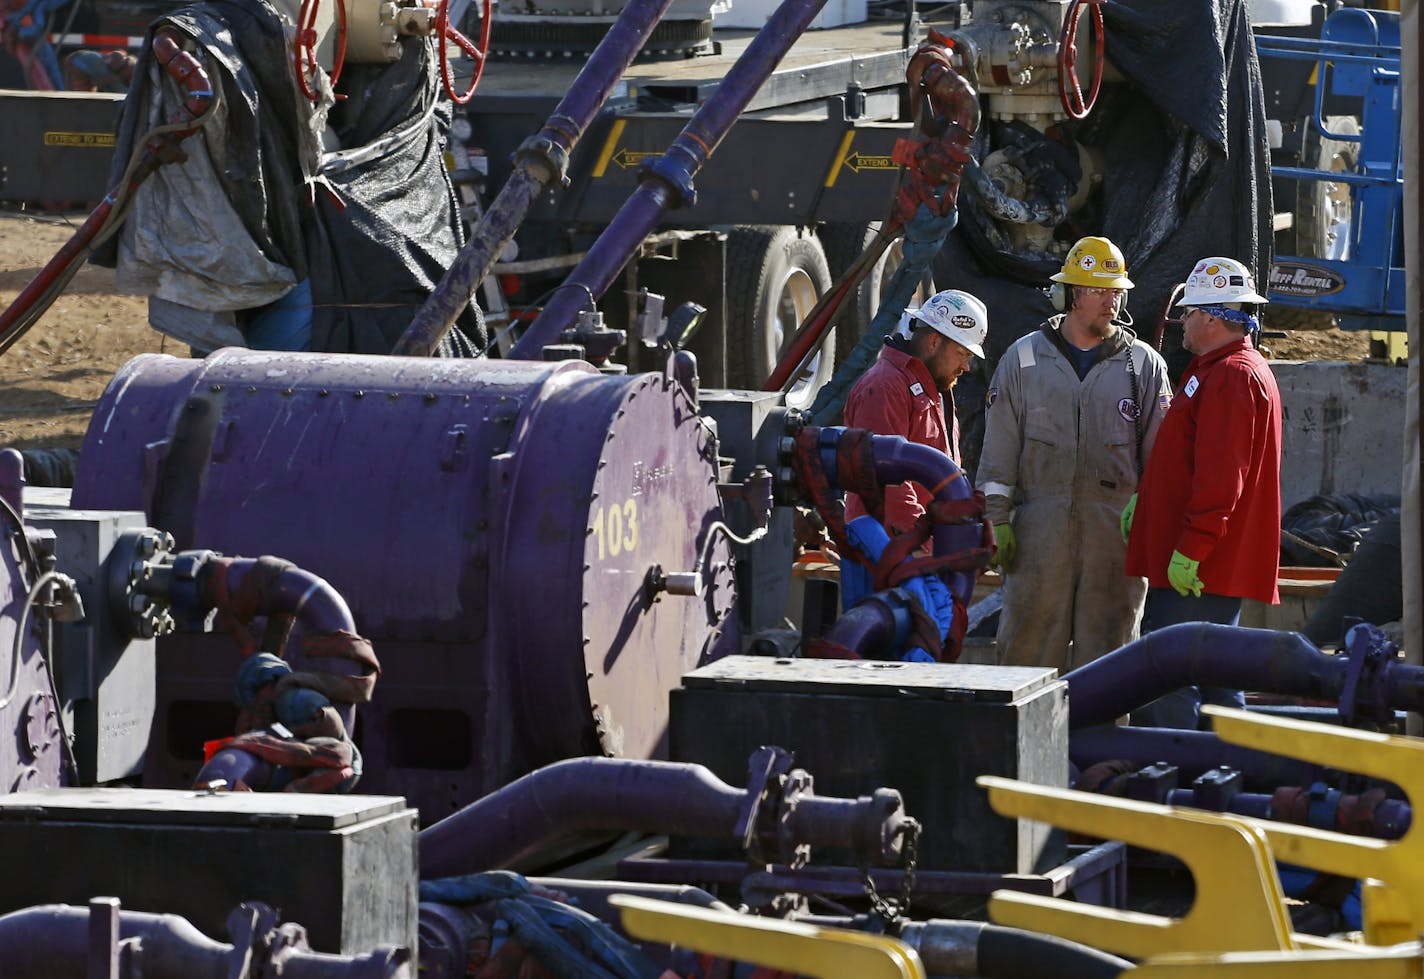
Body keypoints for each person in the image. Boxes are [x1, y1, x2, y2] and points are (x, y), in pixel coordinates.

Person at [977, 236, 1172, 672]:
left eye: (1117, 291)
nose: (1112, 302)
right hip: (1038, 535)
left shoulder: (1143, 365)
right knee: (1026, 655)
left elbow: (1163, 459)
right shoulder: (1023, 359)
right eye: (1099, 290)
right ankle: (1022, 742)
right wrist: (997, 518)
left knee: (1110, 659)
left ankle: (1100, 742)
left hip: (1116, 536)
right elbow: (999, 450)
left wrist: (1149, 514)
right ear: (1069, 295)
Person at [1125, 256, 1282, 729]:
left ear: (1210, 318)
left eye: (1189, 313)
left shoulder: (1231, 376)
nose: (1183, 322)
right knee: (1215, 680)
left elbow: (1221, 478)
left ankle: (1175, 783)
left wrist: (1192, 548)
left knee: (1171, 676)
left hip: (1199, 570)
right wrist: (1148, 499)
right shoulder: (1218, 370)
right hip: (1202, 563)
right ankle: (1224, 778)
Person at [842, 288, 988, 536]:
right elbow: (887, 484)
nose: (966, 366)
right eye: (962, 353)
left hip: (918, 551)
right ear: (933, 341)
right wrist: (922, 548)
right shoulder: (884, 387)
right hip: (892, 553)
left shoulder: (934, 387)